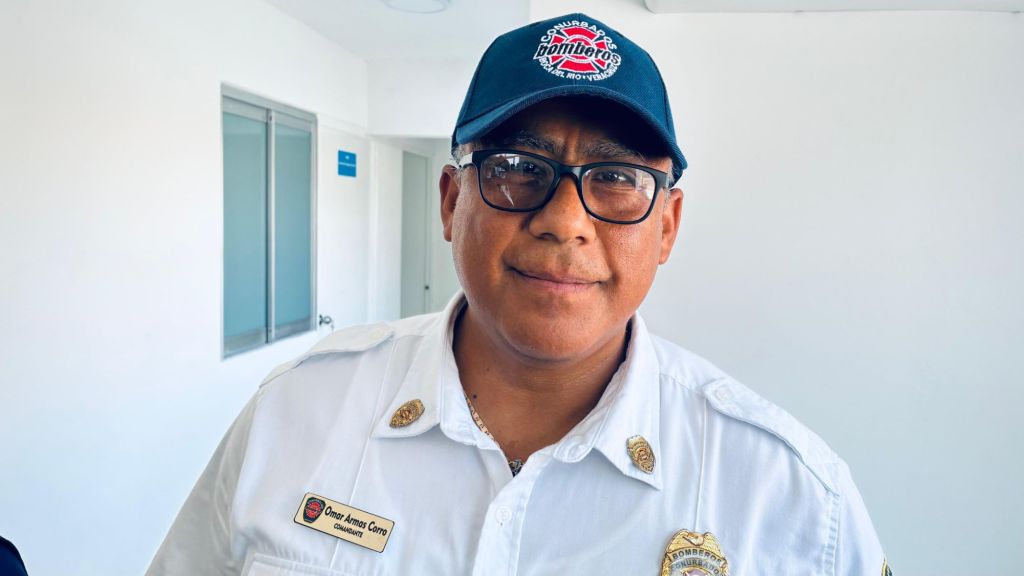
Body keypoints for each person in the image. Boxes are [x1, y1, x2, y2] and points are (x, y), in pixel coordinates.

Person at [148, 13, 889, 575]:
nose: (565, 221)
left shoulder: (791, 496)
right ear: (450, 202)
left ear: (666, 227)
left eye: (617, 178)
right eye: (516, 167)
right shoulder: (297, 412)